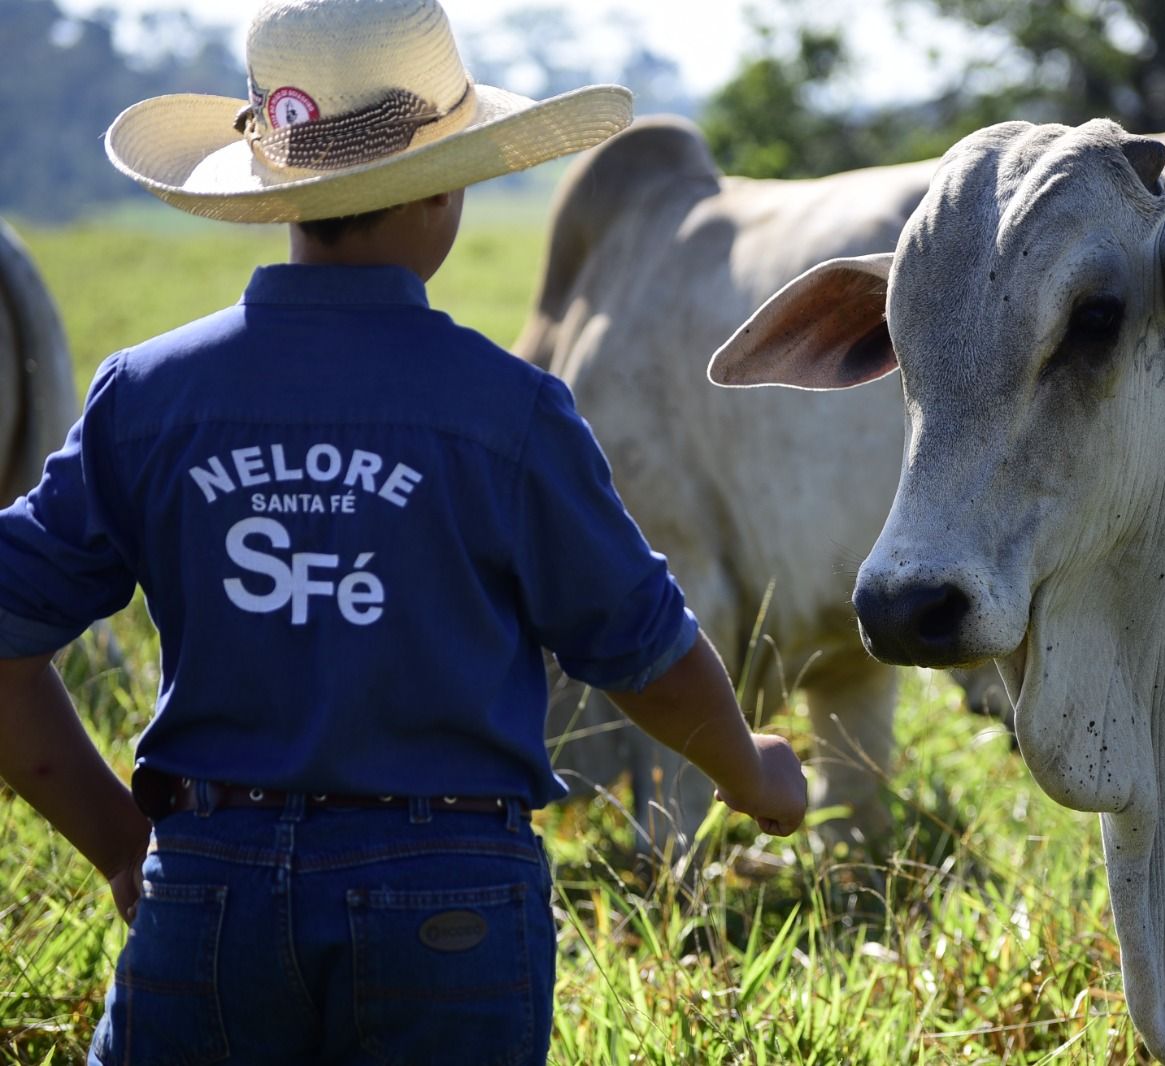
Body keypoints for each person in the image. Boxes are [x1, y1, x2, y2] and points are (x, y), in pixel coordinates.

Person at [0, 0, 808, 1062]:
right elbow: (642, 650)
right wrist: (750, 770)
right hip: (449, 902)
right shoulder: (509, 411)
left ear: (275, 190)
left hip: (206, 885)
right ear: (440, 187)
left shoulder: (146, 395)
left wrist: (119, 844)